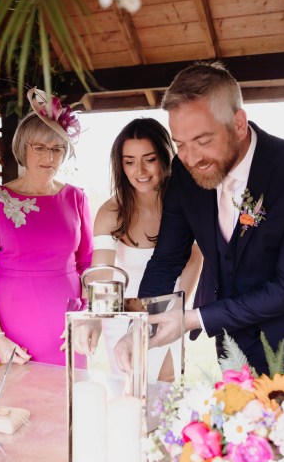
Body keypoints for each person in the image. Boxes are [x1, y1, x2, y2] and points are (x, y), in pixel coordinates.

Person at [116, 61, 284, 375]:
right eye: (180, 144)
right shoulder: (183, 169)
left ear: (239, 124)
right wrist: (139, 328)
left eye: (203, 141)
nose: (190, 158)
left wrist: (194, 318)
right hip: (231, 338)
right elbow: (167, 258)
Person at [0, 88, 93, 365]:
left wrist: (84, 316)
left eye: (57, 149)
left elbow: (87, 264)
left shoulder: (77, 198)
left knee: (67, 405)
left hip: (68, 332)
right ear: (22, 148)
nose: (49, 157)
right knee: (9, 408)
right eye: (39, 147)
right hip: (9, 336)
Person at [81, 117, 202, 381]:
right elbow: (102, 273)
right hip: (125, 315)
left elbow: (194, 258)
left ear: (165, 157)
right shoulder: (111, 213)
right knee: (131, 390)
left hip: (169, 310)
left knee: (168, 385)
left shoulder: (184, 204)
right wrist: (92, 318)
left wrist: (178, 309)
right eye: (129, 161)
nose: (140, 170)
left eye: (149, 159)